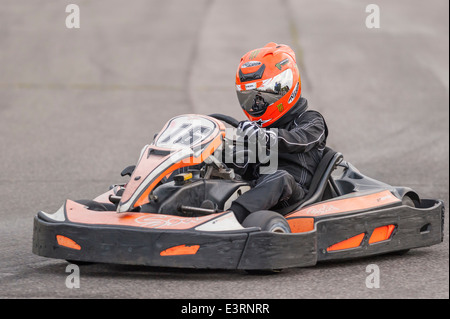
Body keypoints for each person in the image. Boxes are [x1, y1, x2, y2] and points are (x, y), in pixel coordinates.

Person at [228, 42, 328, 223]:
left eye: (261, 96)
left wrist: (263, 137)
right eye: (248, 97)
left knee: (278, 177)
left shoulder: (311, 120)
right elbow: (242, 166)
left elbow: (298, 140)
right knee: (211, 161)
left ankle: (229, 220)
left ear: (284, 88)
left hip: (294, 195)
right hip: (258, 189)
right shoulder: (256, 130)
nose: (255, 104)